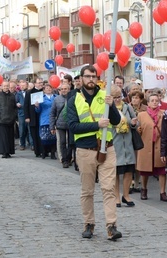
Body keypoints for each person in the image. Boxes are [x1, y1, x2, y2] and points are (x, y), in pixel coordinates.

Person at [66, 65, 122, 240]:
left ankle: (111, 226)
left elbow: (117, 120)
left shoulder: (104, 96)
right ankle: (88, 223)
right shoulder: (73, 99)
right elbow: (73, 126)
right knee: (87, 190)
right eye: (87, 76)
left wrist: (111, 106)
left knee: (108, 189)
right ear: (81, 78)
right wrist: (96, 125)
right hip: (85, 150)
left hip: (107, 148)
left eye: (93, 76)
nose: (91, 79)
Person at [109, 85, 138, 208]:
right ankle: (116, 196)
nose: (117, 99)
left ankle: (126, 195)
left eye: (119, 96)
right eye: (114, 97)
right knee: (115, 171)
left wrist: (133, 123)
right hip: (115, 143)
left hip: (128, 144)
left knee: (128, 170)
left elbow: (135, 124)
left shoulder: (127, 107)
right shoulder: (108, 108)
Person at [136, 94, 167, 201]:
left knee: (162, 170)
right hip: (146, 146)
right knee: (145, 170)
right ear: (148, 103)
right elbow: (138, 129)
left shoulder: (163, 114)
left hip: (159, 145)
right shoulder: (141, 115)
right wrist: (138, 130)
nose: (154, 102)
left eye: (156, 100)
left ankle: (162, 192)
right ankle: (144, 189)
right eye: (152, 100)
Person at [0, 81, 17, 158]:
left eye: (7, 86)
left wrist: (14, 115)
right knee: (3, 137)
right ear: (2, 87)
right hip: (2, 119)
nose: (6, 87)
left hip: (11, 119)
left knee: (10, 136)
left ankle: (9, 151)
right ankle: (4, 152)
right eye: (4, 86)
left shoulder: (12, 96)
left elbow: (15, 107)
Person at [50, 83, 71, 168]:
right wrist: (52, 126)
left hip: (71, 124)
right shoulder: (56, 99)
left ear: (69, 89)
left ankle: (69, 158)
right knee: (62, 142)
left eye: (65, 89)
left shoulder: (73, 98)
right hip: (60, 124)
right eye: (62, 89)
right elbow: (52, 113)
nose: (63, 90)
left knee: (71, 143)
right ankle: (64, 160)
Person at [35, 85, 57, 159]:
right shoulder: (41, 98)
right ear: (44, 90)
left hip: (54, 119)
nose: (48, 89)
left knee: (54, 137)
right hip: (44, 119)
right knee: (44, 137)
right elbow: (38, 110)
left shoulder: (56, 97)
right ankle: (44, 152)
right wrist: (37, 106)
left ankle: (53, 153)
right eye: (46, 88)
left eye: (50, 88)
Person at [24, 78, 44, 157]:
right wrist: (27, 116)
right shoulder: (29, 92)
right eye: (39, 83)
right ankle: (37, 151)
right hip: (32, 117)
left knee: (42, 134)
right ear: (35, 83)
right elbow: (26, 105)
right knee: (34, 134)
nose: (40, 84)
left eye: (41, 83)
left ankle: (44, 150)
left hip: (42, 116)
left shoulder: (44, 91)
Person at [16, 81, 32, 150]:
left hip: (29, 113)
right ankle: (22, 144)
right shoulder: (18, 94)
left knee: (30, 130)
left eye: (23, 85)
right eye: (21, 85)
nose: (22, 86)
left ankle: (32, 144)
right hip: (21, 113)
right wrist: (17, 104)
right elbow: (15, 102)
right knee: (22, 130)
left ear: (27, 85)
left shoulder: (30, 92)